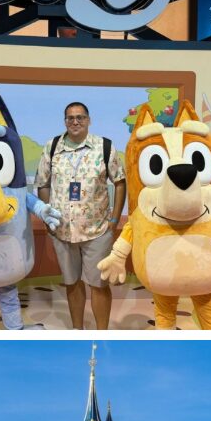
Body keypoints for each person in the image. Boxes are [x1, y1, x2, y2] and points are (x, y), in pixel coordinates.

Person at [35, 102, 125, 329]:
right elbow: (42, 183)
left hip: (98, 230)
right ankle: (78, 331)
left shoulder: (104, 147)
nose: (75, 122)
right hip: (62, 231)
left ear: (89, 120)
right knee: (72, 283)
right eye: (70, 118)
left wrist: (114, 219)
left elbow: (120, 182)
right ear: (65, 120)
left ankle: (102, 334)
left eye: (80, 117)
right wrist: (48, 214)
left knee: (99, 284)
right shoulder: (52, 147)